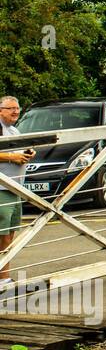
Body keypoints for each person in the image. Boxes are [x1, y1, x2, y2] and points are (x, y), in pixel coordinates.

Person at [0, 96, 33, 283]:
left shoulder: (14, 130)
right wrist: (13, 157)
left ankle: (3, 278)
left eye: (17, 108)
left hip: (15, 189)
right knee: (1, 233)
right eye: (10, 108)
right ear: (0, 111)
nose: (15, 111)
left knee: (9, 234)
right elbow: (9, 155)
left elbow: (20, 150)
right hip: (1, 189)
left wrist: (28, 153)